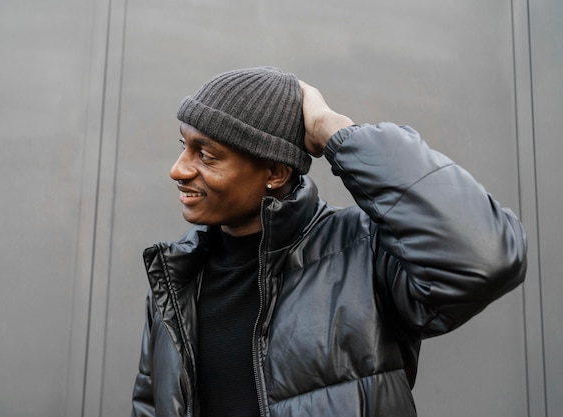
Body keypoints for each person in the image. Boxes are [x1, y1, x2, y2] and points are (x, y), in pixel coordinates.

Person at [131, 66, 527, 417]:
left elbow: (485, 256)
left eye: (207, 155)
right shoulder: (178, 276)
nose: (178, 169)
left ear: (274, 171)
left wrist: (333, 130)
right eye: (184, 146)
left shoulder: (365, 251)